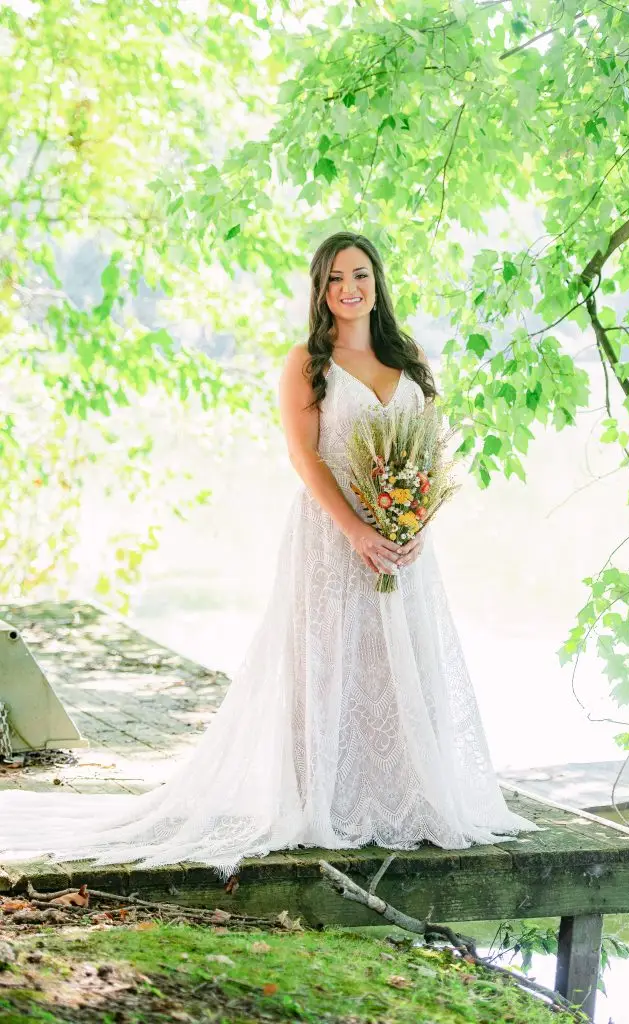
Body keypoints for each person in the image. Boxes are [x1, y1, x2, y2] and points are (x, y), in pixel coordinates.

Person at [0, 232, 540, 878]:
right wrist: (355, 531)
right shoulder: (306, 363)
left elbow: (426, 451)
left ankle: (405, 798)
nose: (349, 288)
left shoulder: (411, 358)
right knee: (326, 662)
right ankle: (326, 802)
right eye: (336, 277)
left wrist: (415, 521)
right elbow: (304, 458)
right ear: (320, 289)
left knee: (400, 662)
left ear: (377, 283)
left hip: (401, 543)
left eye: (360, 274)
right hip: (330, 539)